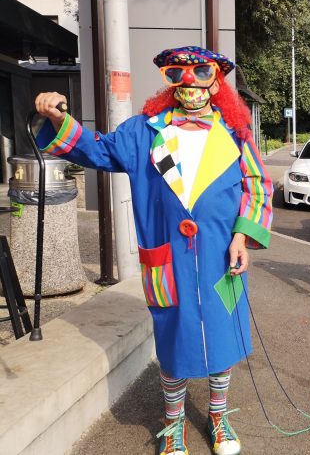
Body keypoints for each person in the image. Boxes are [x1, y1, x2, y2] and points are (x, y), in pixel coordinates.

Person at [34, 46, 272, 455]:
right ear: (168, 82)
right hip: (168, 262)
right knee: (173, 341)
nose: (191, 82)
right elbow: (98, 149)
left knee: (221, 339)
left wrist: (241, 236)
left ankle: (218, 417)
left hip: (221, 258)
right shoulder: (144, 132)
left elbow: (257, 186)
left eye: (200, 72)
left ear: (216, 81)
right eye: (178, 74)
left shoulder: (235, 134)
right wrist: (59, 119)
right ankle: (173, 422)